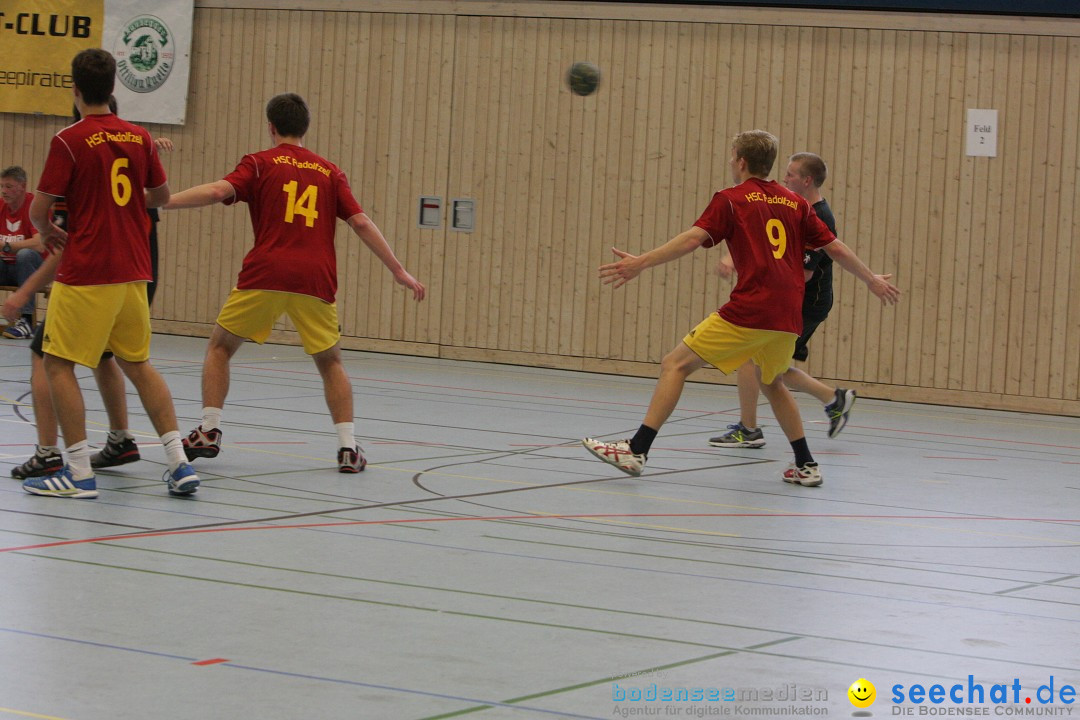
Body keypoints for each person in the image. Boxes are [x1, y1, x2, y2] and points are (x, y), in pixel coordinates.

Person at [582, 130, 900, 487]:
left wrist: (642, 262)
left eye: (732, 156)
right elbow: (836, 248)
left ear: (742, 162)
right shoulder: (795, 203)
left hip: (752, 308)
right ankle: (806, 465)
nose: (731, 162)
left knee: (675, 364)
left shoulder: (731, 199)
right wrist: (870, 278)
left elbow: (692, 239)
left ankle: (636, 450)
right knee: (773, 382)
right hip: (787, 314)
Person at [164, 92, 425, 472]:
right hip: (315, 277)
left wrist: (165, 201)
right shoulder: (329, 171)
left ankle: (209, 429)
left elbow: (219, 191)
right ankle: (348, 448)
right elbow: (362, 223)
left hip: (265, 272)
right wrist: (398, 270)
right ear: (306, 127)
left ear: (271, 127)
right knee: (330, 361)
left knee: (220, 347)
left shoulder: (258, 163)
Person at [22, 48, 199, 499]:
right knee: (138, 364)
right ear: (114, 88)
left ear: (76, 90)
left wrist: (48, 232)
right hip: (134, 270)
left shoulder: (70, 139)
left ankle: (79, 472)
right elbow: (160, 196)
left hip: (87, 271)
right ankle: (179, 464)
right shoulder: (139, 136)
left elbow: (40, 208)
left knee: (56, 362)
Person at [5, 100, 174, 480]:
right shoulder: (135, 150)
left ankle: (51, 453)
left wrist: (23, 292)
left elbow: (66, 244)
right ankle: (125, 441)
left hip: (97, 277)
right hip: (138, 276)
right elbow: (161, 199)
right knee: (108, 356)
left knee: (45, 355)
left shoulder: (79, 151)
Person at [708, 152, 855, 448]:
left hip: (805, 300)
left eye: (790, 174)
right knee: (767, 368)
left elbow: (804, 272)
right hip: (790, 299)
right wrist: (732, 258)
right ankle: (832, 399)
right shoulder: (790, 206)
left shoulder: (818, 214)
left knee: (759, 364)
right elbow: (763, 239)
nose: (784, 178)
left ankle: (750, 429)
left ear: (807, 180)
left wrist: (763, 290)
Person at [0, 166, 47, 339]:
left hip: (33, 270)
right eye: (2, 186)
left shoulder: (33, 207)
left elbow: (39, 244)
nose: (4, 191)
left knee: (25, 255)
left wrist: (6, 246)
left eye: (9, 187)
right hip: (7, 267)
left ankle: (26, 321)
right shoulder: (0, 206)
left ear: (23, 186)